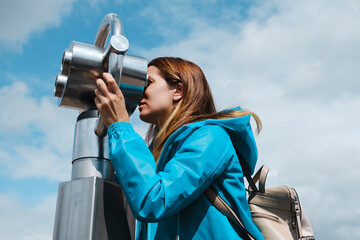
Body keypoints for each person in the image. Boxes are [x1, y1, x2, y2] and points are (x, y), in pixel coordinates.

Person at [94, 57, 265, 240]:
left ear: (178, 90)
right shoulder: (154, 153)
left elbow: (154, 202)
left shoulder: (211, 138)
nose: (139, 93)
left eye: (147, 83)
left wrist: (120, 128)